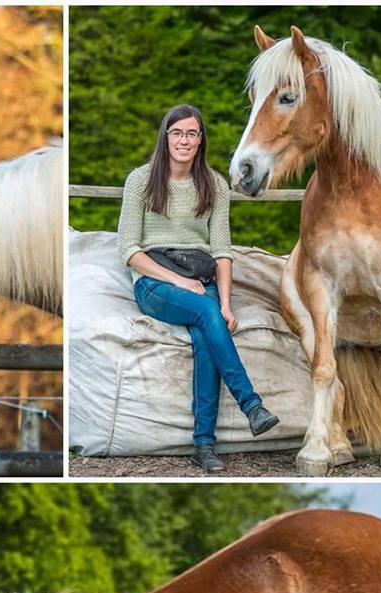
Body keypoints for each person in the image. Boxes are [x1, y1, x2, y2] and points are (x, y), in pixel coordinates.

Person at [117, 103, 279, 473]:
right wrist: (176, 281)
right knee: (205, 312)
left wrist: (226, 303)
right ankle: (251, 403)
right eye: (177, 133)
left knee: (209, 332)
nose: (184, 140)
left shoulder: (214, 184)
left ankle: (204, 445)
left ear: (200, 139)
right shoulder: (141, 181)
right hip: (155, 281)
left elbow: (221, 249)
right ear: (166, 136)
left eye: (191, 133)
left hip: (200, 277)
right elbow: (128, 249)